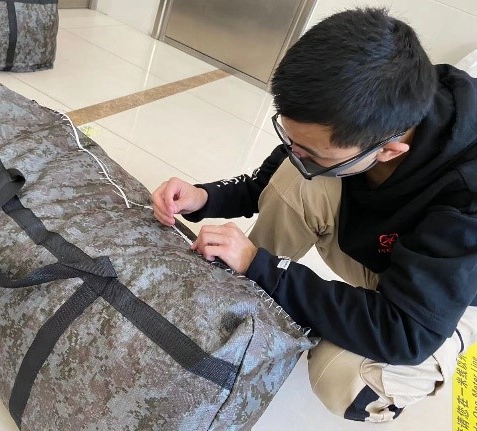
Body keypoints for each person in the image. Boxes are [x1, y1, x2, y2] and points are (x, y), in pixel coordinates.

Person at [151, 7, 477, 423]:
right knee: (303, 177)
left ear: (389, 151)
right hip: (387, 251)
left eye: (314, 152)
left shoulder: (466, 193)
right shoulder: (378, 102)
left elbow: (405, 331)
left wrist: (265, 268)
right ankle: (246, 298)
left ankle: (446, 346)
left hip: (449, 298)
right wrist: (204, 198)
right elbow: (277, 176)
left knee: (342, 378)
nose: (295, 153)